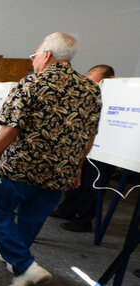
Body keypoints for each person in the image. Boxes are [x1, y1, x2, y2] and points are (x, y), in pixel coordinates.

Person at [0, 32, 102, 286]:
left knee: (0, 213)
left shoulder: (32, 83)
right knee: (32, 219)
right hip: (60, 173)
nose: (33, 61)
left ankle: (25, 265)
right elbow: (89, 135)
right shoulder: (90, 89)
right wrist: (77, 166)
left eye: (35, 56)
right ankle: (19, 264)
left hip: (22, 168)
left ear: (46, 55)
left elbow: (11, 128)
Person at [50, 65, 116, 233]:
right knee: (77, 180)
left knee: (92, 184)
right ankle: (67, 210)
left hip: (105, 147)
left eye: (91, 74)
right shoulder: (89, 94)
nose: (87, 78)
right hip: (85, 145)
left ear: (109, 79)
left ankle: (85, 220)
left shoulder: (116, 96)